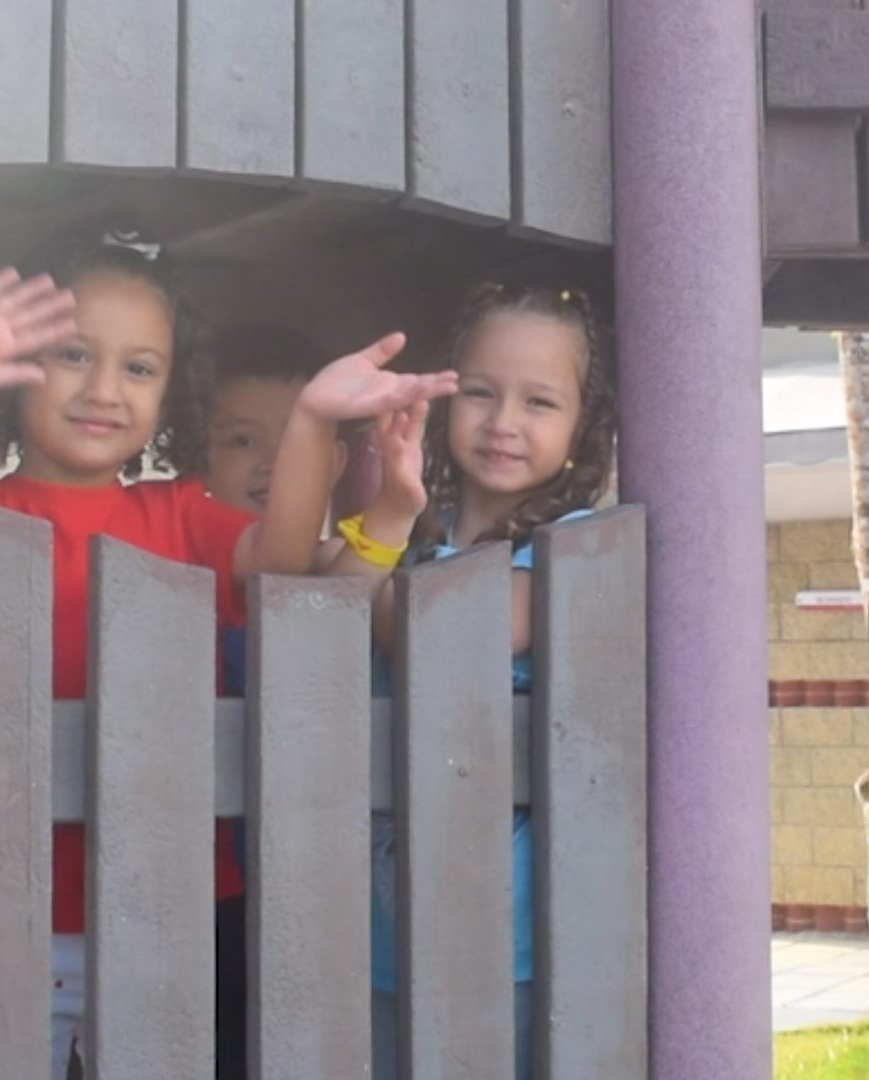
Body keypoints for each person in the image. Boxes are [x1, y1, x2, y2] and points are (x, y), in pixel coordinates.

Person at [0, 231, 455, 1079]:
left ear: (172, 392)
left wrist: (314, 421)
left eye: (140, 368)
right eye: (74, 355)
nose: (104, 390)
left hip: (165, 905)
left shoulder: (179, 516)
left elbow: (283, 562)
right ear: (16, 360)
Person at [322, 283, 617, 1080]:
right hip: (386, 911)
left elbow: (436, 634)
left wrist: (383, 571)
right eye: (481, 392)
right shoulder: (419, 531)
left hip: (507, 920)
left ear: (583, 424)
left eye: (539, 401)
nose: (503, 421)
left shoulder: (573, 545)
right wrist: (392, 512)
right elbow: (327, 616)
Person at [192, 322, 349, 1080]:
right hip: (203, 885)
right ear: (199, 456)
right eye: (240, 441)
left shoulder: (348, 575)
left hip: (321, 883)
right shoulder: (171, 577)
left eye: (294, 439)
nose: (268, 463)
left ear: (335, 460)